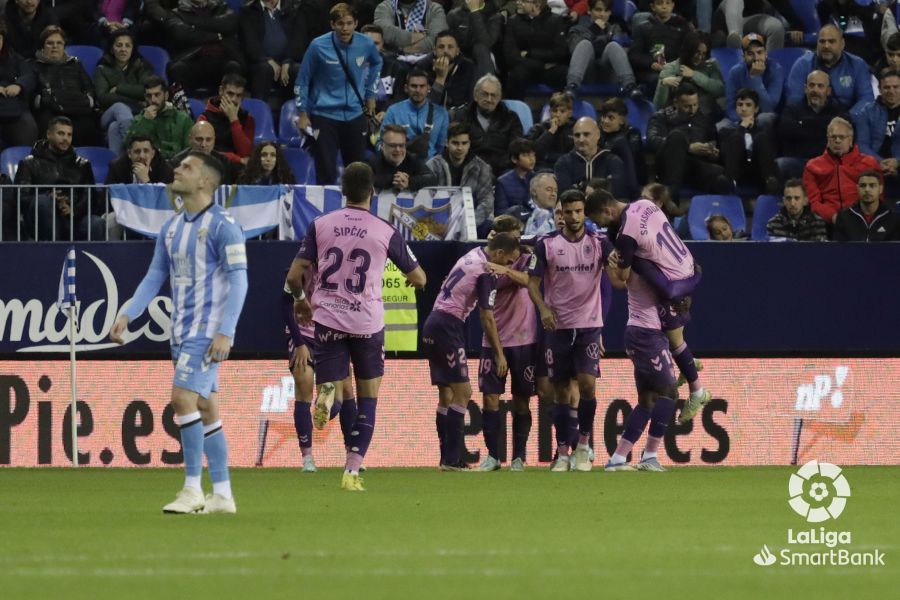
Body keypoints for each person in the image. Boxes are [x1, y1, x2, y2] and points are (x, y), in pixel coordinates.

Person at [110, 151, 248, 514]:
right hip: (180, 331)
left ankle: (191, 489)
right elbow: (155, 276)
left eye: (187, 167)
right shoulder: (171, 228)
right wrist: (128, 312)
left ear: (205, 181)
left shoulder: (223, 225)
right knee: (205, 408)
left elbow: (240, 281)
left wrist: (226, 331)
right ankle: (222, 494)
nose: (177, 169)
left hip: (208, 332)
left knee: (182, 399)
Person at [286, 162, 427, 491]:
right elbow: (419, 277)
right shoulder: (384, 230)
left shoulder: (320, 224)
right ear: (372, 192)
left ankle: (327, 398)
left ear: (342, 191)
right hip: (366, 322)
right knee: (367, 398)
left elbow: (295, 277)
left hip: (328, 319)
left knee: (334, 389)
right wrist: (411, 279)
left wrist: (299, 300)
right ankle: (352, 470)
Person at [585, 189, 711, 434]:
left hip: (674, 285)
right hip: (684, 263)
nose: (600, 225)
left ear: (607, 211)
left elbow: (621, 280)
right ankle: (688, 366)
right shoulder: (644, 204)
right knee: (677, 341)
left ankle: (697, 390)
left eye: (600, 220)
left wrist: (614, 261)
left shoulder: (626, 236)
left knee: (675, 342)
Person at [527, 189, 613, 472]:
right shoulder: (547, 244)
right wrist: (543, 309)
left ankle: (584, 446)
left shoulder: (600, 243)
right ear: (560, 213)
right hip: (558, 326)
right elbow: (532, 283)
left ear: (585, 212)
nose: (574, 217)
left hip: (588, 325)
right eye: (569, 212)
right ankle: (562, 451)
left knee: (587, 384)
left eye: (579, 211)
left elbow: (618, 272)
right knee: (560, 391)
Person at [598, 193, 684, 472]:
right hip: (647, 333)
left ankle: (618, 458)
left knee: (647, 400)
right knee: (669, 393)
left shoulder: (633, 257)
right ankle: (649, 456)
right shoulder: (646, 264)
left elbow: (620, 280)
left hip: (636, 331)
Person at [422, 232, 520, 470]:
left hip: (432, 322)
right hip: (448, 326)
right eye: (507, 262)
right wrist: (499, 352)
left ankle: (446, 457)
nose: (508, 267)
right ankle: (453, 460)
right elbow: (487, 316)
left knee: (447, 394)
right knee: (463, 393)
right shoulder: (487, 272)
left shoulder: (471, 254)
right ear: (498, 254)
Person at [294, 3, 383, 186]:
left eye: (349, 23)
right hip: (324, 117)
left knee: (357, 172)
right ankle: (327, 212)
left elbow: (377, 62)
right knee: (326, 170)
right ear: (332, 25)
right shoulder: (318, 46)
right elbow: (302, 80)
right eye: (340, 23)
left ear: (356, 23)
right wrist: (303, 113)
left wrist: (371, 94)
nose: (345, 28)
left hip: (355, 115)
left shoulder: (365, 43)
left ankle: (355, 213)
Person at [475, 215, 537, 471]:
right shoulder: (484, 261)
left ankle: (519, 457)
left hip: (524, 338)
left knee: (521, 399)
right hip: (494, 338)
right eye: (513, 235)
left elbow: (529, 281)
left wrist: (507, 270)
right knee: (491, 398)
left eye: (519, 234)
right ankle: (492, 455)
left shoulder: (526, 256)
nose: (518, 239)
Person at [280, 268, 356, 473]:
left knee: (344, 392)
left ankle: (352, 455)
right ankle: (307, 458)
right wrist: (298, 343)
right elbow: (285, 303)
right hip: (302, 336)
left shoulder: (339, 263)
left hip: (330, 336)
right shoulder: (300, 266)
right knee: (303, 381)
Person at [14, 116, 103, 241]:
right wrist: (48, 196)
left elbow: (91, 199)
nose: (66, 139)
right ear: (49, 134)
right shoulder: (29, 163)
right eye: (61, 133)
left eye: (69, 135)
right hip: (39, 221)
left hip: (73, 219)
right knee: (43, 202)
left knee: (97, 223)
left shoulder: (82, 165)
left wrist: (73, 210)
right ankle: (52, 255)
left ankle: (91, 260)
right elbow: (20, 198)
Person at [648, 82, 734, 203]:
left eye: (695, 105)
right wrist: (687, 148)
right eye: (687, 106)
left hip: (695, 166)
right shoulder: (660, 117)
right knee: (677, 136)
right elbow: (653, 141)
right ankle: (672, 197)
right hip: (669, 166)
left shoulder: (704, 118)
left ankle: (717, 217)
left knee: (721, 178)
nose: (692, 109)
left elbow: (714, 141)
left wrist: (712, 152)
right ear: (676, 103)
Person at [803, 116, 881, 224]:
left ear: (850, 140)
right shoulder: (813, 166)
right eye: (833, 137)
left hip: (863, 221)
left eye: (841, 137)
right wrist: (834, 217)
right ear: (827, 139)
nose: (837, 141)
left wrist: (861, 218)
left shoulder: (869, 163)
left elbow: (878, 197)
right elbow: (813, 202)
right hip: (826, 222)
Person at [31, 25, 100, 146]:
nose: (55, 46)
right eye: (50, 43)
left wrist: (88, 101)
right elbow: (31, 93)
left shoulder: (75, 64)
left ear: (64, 46)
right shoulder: (34, 66)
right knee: (47, 124)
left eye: (59, 43)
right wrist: (45, 101)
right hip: (51, 110)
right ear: (43, 46)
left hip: (77, 107)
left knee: (88, 126)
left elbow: (89, 87)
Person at [776, 70, 849, 180]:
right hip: (799, 162)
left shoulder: (839, 110)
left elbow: (844, 134)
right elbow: (785, 130)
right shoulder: (792, 109)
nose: (815, 90)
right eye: (812, 85)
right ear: (805, 88)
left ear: (828, 91)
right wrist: (824, 126)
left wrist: (802, 124)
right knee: (780, 164)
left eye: (820, 86)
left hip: (828, 163)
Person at [786, 24, 873, 115]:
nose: (826, 46)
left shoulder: (857, 65)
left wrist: (847, 118)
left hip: (848, 121)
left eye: (831, 41)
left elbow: (866, 100)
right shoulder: (802, 64)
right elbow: (794, 101)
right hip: (811, 119)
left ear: (842, 44)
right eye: (822, 41)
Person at [426, 121, 495, 235]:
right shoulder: (433, 165)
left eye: (464, 143)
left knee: (488, 225)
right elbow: (427, 199)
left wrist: (467, 224)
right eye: (455, 143)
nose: (460, 147)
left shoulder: (482, 167)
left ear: (469, 144)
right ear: (446, 142)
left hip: (473, 220)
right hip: (440, 220)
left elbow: (486, 202)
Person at [163, 0, 244, 96]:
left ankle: (230, 109)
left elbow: (229, 24)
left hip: (221, 59)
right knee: (177, 69)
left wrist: (193, 25)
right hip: (191, 60)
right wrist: (213, 36)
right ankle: (184, 109)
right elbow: (181, 34)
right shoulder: (176, 13)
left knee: (233, 66)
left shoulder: (222, 8)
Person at [449, 74, 523, 177]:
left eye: (494, 95)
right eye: (485, 94)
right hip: (469, 170)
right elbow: (455, 147)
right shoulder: (461, 116)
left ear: (499, 98)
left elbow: (515, 151)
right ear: (475, 95)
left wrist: (495, 168)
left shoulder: (511, 118)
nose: (489, 99)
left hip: (501, 171)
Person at [94, 29, 155, 154]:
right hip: (108, 113)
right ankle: (134, 146)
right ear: (112, 49)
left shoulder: (141, 66)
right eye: (119, 45)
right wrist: (135, 100)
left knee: (114, 128)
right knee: (120, 107)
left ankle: (120, 165)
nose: (123, 49)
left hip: (136, 115)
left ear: (133, 49)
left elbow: (147, 90)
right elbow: (103, 97)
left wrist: (119, 88)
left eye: (127, 45)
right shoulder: (102, 68)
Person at [565, 0, 640, 98]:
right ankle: (572, 86)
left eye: (606, 10)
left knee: (613, 46)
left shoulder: (615, 28)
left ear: (610, 12)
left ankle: (630, 86)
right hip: (586, 72)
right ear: (589, 11)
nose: (602, 14)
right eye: (598, 10)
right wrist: (594, 29)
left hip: (608, 72)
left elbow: (619, 52)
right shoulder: (577, 29)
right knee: (584, 43)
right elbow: (575, 50)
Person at [240, 0, 307, 101]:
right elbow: (250, 42)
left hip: (288, 61)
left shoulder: (294, 8)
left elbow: (298, 39)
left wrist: (287, 61)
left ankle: (299, 113)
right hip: (261, 62)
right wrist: (268, 60)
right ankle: (259, 113)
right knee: (263, 69)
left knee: (298, 70)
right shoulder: (248, 11)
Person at [502, 0, 569, 100]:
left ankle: (558, 111)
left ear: (537, 5)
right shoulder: (513, 21)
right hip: (528, 68)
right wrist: (541, 65)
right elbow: (510, 55)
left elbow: (560, 52)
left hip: (549, 71)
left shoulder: (555, 20)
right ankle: (516, 112)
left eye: (524, 1)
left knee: (564, 73)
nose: (519, 3)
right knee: (516, 74)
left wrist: (530, 53)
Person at [719, 88, 780, 195]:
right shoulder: (727, 131)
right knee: (736, 138)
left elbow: (771, 152)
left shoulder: (764, 131)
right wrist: (741, 128)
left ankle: (770, 181)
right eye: (740, 105)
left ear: (756, 109)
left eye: (748, 105)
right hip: (738, 170)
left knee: (761, 137)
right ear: (736, 108)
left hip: (759, 169)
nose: (743, 109)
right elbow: (725, 155)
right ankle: (730, 184)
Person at [380, 68, 449, 160]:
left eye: (422, 86)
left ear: (428, 88)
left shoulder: (441, 113)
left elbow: (442, 147)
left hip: (430, 166)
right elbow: (381, 142)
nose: (418, 90)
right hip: (399, 163)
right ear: (406, 88)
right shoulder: (393, 111)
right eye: (414, 86)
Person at [653, 30, 725, 116]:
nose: (700, 57)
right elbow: (659, 106)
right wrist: (663, 84)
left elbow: (720, 90)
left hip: (706, 116)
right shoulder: (671, 69)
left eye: (704, 53)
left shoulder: (711, 65)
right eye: (697, 52)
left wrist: (694, 75)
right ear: (688, 50)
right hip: (680, 118)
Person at [554, 116, 629, 198]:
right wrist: (601, 185)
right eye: (577, 135)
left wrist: (580, 187)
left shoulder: (613, 161)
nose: (581, 139)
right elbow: (565, 195)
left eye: (586, 134)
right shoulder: (563, 163)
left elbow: (617, 192)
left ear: (598, 135)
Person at [628, 0, 692, 92]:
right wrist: (651, 64)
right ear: (653, 7)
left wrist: (674, 67)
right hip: (651, 71)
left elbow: (688, 51)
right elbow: (634, 55)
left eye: (668, 3)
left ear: (673, 5)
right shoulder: (642, 28)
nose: (664, 7)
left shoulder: (683, 26)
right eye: (659, 3)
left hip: (675, 69)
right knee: (658, 81)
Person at [125, 75, 193, 161]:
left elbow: (190, 151)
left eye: (157, 95)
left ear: (166, 95)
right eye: (149, 96)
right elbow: (129, 146)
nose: (153, 100)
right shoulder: (139, 119)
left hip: (176, 166)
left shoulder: (182, 119)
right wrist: (145, 121)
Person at [724, 32, 784, 125]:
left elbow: (768, 108)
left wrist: (755, 78)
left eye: (759, 52)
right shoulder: (735, 72)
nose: (756, 58)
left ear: (766, 54)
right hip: (742, 117)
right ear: (743, 57)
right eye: (750, 53)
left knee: (763, 118)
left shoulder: (776, 70)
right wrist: (742, 121)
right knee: (721, 126)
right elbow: (730, 107)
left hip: (767, 117)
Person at [0, 15, 39, 148]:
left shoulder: (14, 57)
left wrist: (19, 85)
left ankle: (26, 166)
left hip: (15, 109)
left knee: (28, 128)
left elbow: (30, 75)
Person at [852, 69, 900, 178]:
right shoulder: (865, 112)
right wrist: (879, 162)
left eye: (896, 87)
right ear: (879, 89)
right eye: (887, 87)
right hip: (873, 168)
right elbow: (862, 144)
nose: (891, 91)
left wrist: (897, 162)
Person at [197, 74, 255, 162]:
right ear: (221, 91)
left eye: (238, 95)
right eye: (230, 94)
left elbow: (246, 153)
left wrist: (234, 120)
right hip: (212, 164)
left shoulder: (248, 119)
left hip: (238, 168)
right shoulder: (205, 118)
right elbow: (203, 151)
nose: (233, 100)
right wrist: (236, 158)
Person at [833, 170, 900, 242]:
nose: (867, 190)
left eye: (872, 185)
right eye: (863, 185)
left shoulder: (894, 217)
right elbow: (838, 249)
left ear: (880, 189)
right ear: (857, 188)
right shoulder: (843, 216)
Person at [369, 123, 437, 192]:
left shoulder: (412, 160)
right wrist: (394, 179)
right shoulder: (372, 162)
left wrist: (409, 182)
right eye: (393, 145)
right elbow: (365, 180)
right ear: (382, 146)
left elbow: (432, 179)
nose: (398, 149)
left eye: (401, 145)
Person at [445, 0, 502, 80]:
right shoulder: (454, 15)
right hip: (459, 54)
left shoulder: (494, 16)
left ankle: (487, 86)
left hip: (483, 57)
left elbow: (486, 42)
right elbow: (446, 39)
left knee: (480, 48)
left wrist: (474, 12)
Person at [373, 0, 448, 60]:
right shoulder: (385, 6)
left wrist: (405, 50)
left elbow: (438, 38)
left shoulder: (434, 9)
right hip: (392, 61)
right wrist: (412, 37)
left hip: (426, 63)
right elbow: (384, 31)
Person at [170, 121, 241, 183]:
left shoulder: (224, 163)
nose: (203, 145)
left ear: (214, 141)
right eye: (199, 139)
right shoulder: (177, 163)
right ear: (190, 140)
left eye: (208, 140)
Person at [422, 30, 475, 110]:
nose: (445, 51)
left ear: (457, 51)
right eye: (441, 47)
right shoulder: (423, 67)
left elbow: (471, 103)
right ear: (434, 51)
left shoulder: (468, 68)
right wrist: (440, 78)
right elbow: (426, 108)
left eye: (450, 47)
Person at [526, 91, 575, 170]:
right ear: (549, 112)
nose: (558, 115)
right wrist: (550, 132)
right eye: (555, 111)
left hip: (568, 169)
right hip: (543, 170)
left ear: (570, 113)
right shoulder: (538, 129)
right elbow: (530, 153)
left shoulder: (576, 129)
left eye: (562, 111)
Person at [106, 134, 175, 184]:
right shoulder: (117, 167)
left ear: (153, 154)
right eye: (137, 151)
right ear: (129, 154)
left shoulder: (164, 169)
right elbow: (106, 199)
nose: (141, 156)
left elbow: (163, 200)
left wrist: (146, 180)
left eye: (146, 151)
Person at [494, 138, 536, 218]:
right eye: (526, 155)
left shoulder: (539, 179)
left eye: (533, 154)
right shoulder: (503, 182)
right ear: (514, 159)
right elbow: (501, 213)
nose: (532, 159)